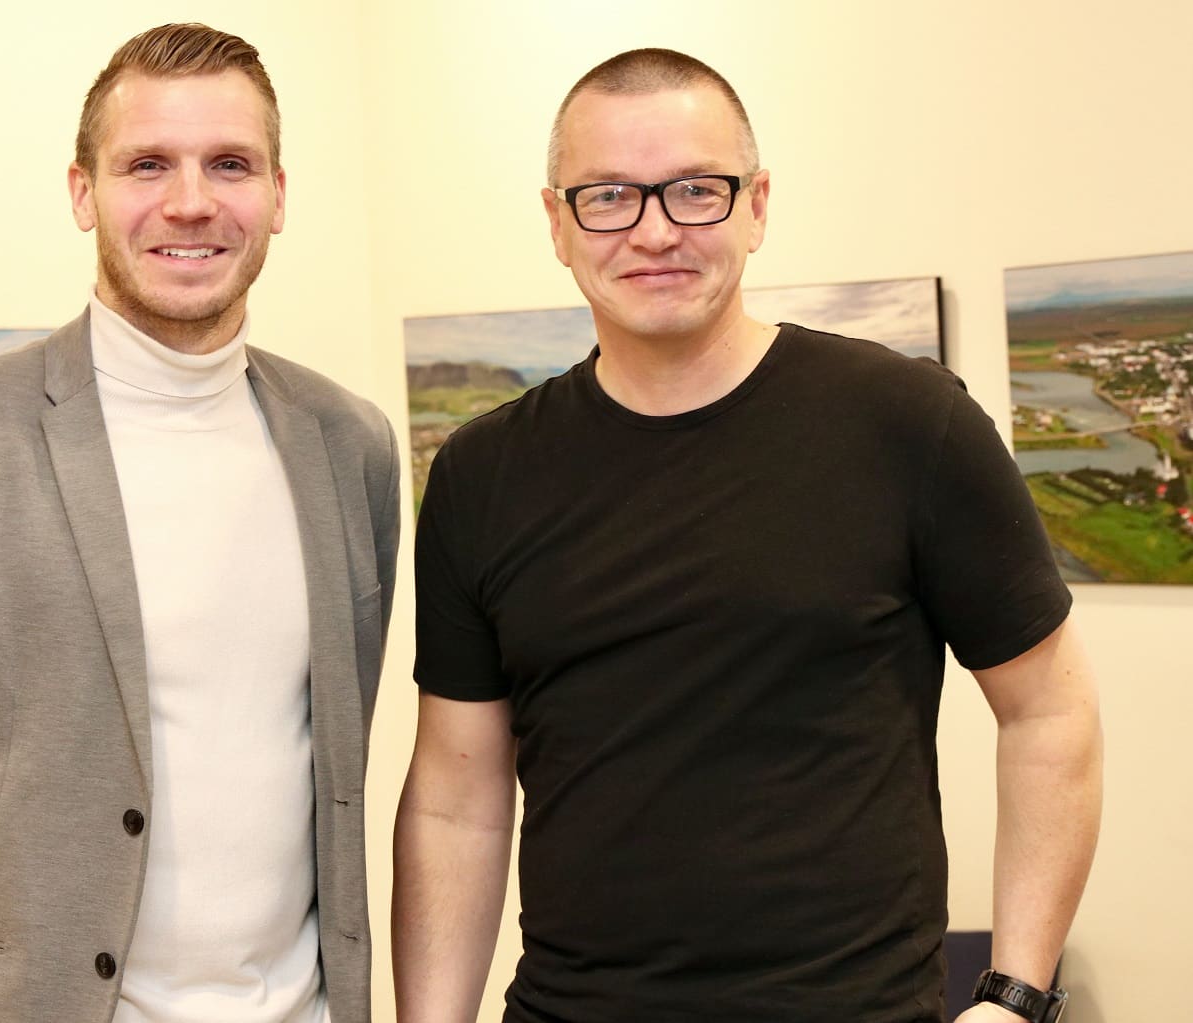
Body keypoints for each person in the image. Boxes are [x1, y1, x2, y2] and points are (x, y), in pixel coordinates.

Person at [393, 47, 1101, 1023]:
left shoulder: (905, 424)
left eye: (696, 190)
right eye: (608, 196)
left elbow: (1048, 713)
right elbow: (454, 800)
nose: (654, 231)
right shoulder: (480, 475)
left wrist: (1013, 996)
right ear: (557, 223)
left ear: (756, 205)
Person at [0, 23, 399, 1023]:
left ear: (278, 196)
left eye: (230, 164)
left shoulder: (349, 446)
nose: (190, 200)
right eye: (146, 164)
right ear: (83, 192)